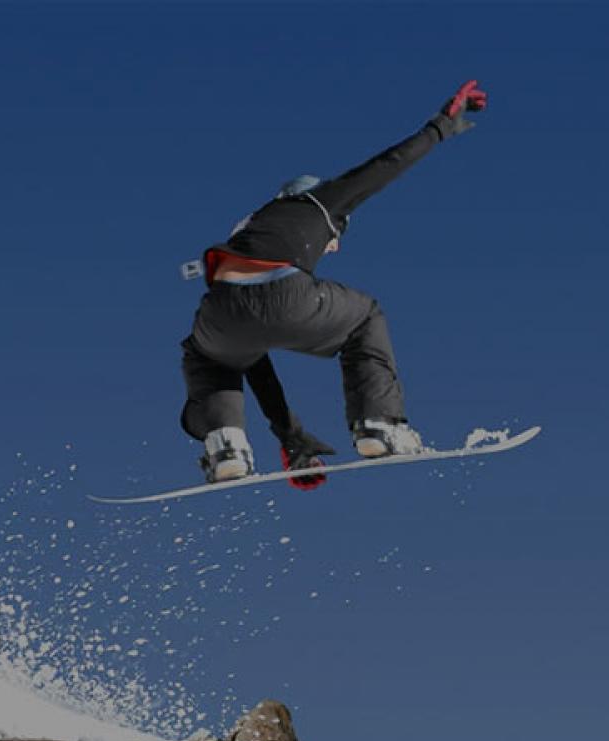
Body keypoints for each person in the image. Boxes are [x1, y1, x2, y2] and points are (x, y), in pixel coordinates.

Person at [179, 79, 488, 490]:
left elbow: (251, 352)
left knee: (210, 357)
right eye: (338, 234)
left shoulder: (252, 228)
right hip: (285, 295)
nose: (334, 244)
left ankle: (226, 447)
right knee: (365, 316)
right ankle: (379, 425)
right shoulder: (319, 201)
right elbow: (384, 167)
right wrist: (441, 127)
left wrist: (291, 437)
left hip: (219, 314)